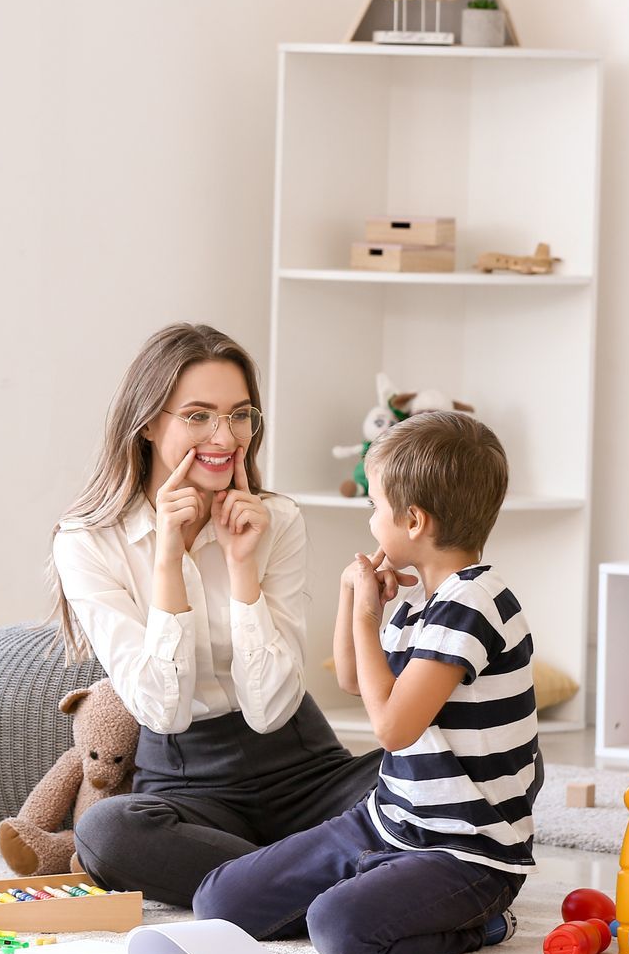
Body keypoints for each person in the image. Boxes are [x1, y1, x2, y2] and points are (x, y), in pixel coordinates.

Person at [49, 322, 381, 907]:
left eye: (240, 414)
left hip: (303, 768)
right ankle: (344, 877)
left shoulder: (277, 519)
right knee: (107, 833)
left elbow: (273, 706)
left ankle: (269, 885)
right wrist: (169, 561)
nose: (224, 437)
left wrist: (243, 565)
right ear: (148, 423)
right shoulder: (87, 542)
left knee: (453, 760)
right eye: (198, 415)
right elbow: (162, 710)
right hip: (187, 783)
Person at [191, 409, 538, 954]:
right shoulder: (419, 602)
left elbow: (393, 728)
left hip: (468, 854)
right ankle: (382, 885)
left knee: (339, 930)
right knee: (217, 903)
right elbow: (355, 679)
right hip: (386, 822)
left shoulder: (475, 603)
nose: (372, 521)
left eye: (376, 508)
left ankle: (488, 924)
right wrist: (356, 599)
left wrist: (363, 619)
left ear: (415, 521)